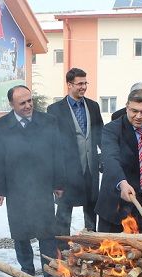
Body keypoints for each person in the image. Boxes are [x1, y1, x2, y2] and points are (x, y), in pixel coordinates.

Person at [0, 85, 65, 277]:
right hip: (16, 186)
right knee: (20, 230)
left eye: (29, 100)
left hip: (42, 184)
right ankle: (26, 270)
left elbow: (58, 153)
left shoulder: (48, 122)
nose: (28, 105)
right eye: (22, 102)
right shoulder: (1, 126)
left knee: (46, 229)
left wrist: (58, 183)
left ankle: (49, 269)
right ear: (11, 104)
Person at [95, 89, 142, 233]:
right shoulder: (112, 129)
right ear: (127, 107)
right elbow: (111, 159)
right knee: (110, 253)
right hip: (115, 207)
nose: (138, 116)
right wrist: (122, 183)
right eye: (134, 111)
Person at [47, 68, 103, 245]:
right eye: (80, 83)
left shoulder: (93, 106)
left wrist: (106, 156)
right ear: (69, 85)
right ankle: (61, 248)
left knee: (92, 208)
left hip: (90, 167)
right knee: (64, 211)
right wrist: (56, 176)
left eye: (85, 83)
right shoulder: (55, 110)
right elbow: (52, 145)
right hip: (67, 171)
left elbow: (100, 134)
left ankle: (92, 244)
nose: (84, 87)